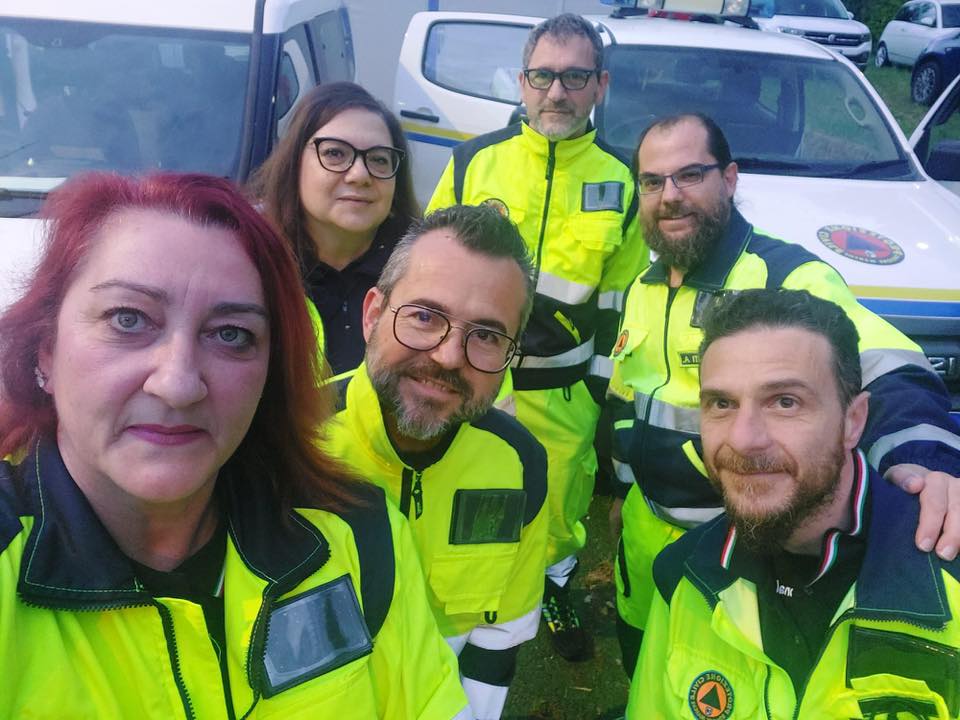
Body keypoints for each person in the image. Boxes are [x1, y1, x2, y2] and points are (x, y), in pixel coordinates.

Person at [0, 172, 469, 719]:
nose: (178, 384)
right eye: (128, 319)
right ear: (45, 350)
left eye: (230, 334)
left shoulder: (359, 534)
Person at [608, 112, 960, 677]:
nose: (669, 196)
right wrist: (622, 494)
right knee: (646, 673)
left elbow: (889, 366)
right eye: (652, 181)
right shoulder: (642, 289)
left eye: (690, 175)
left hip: (737, 555)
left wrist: (925, 463)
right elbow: (629, 404)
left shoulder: (788, 279)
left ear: (729, 179)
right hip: (643, 539)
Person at [426, 13, 648, 660]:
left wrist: (601, 402)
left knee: (557, 515)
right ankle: (462, 610)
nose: (557, 92)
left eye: (575, 77)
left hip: (565, 395)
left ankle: (552, 589)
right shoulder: (473, 163)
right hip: (472, 385)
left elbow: (622, 308)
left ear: (600, 85)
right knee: (462, 500)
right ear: (522, 82)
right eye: (543, 76)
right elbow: (431, 270)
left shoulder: (624, 180)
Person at [628, 289, 960, 718]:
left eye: (785, 402)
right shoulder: (683, 578)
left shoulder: (948, 577)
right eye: (722, 403)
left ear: (853, 421)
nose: (744, 439)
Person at [323, 205, 549, 720]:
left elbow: (501, 633)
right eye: (425, 316)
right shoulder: (288, 446)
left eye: (487, 335)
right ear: (372, 314)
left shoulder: (519, 465)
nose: (448, 357)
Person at [249, 81, 419, 375]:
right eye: (335, 153)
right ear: (294, 162)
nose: (360, 175)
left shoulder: (419, 271)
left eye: (379, 159)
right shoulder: (249, 262)